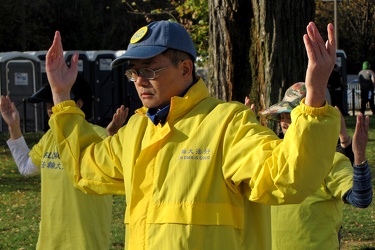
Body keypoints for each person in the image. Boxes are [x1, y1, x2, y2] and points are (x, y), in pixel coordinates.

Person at [45, 20, 340, 249]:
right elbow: (85, 166)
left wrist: (313, 100)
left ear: (185, 68)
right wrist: (60, 96)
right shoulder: (136, 131)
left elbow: (287, 177)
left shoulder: (226, 123)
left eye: (149, 71)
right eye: (133, 73)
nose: (138, 82)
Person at [0, 75, 127, 250]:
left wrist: (112, 137)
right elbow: (26, 167)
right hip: (49, 243)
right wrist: (14, 126)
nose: (51, 109)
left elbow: (117, 170)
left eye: (55, 102)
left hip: (86, 244)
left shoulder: (97, 135)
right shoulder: (50, 137)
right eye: (48, 104)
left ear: (79, 104)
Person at [255, 82, 372, 249]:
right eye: (282, 116)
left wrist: (359, 156)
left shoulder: (330, 160)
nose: (285, 123)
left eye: (292, 115)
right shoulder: (273, 155)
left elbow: (361, 199)